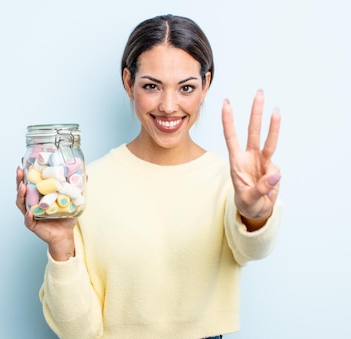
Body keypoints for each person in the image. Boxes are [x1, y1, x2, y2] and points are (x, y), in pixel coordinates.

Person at [15, 14, 283, 338]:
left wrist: (257, 214)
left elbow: (251, 249)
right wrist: (61, 244)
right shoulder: (84, 186)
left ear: (206, 85)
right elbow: (79, 332)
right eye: (152, 86)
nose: (169, 106)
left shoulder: (230, 183)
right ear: (129, 82)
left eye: (186, 87)